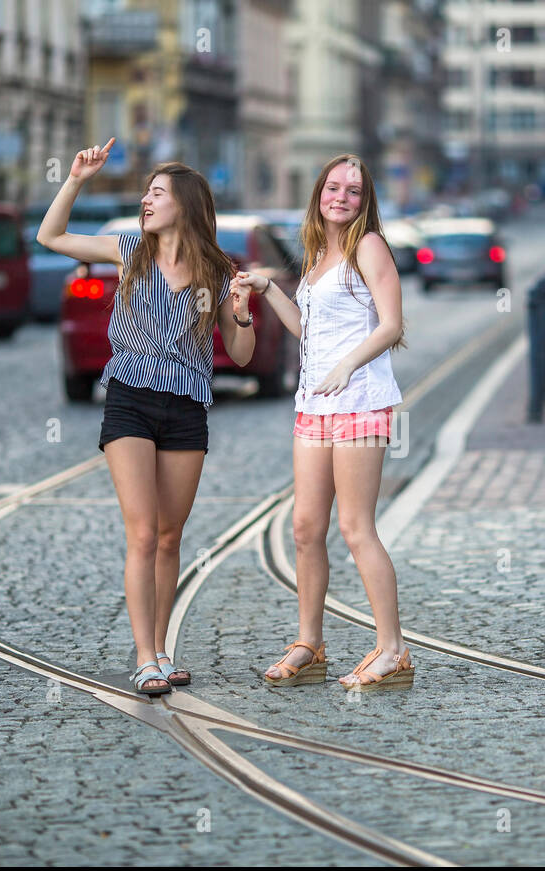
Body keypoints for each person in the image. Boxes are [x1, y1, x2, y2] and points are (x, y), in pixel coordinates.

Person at [37, 139, 255, 696]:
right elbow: (51, 237)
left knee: (168, 535)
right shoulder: (130, 248)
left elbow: (242, 353)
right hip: (129, 398)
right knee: (140, 532)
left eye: (157, 193)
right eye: (146, 193)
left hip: (185, 407)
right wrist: (77, 177)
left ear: (185, 202)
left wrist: (241, 313)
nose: (146, 201)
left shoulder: (217, 269)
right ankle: (143, 658)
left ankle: (162, 648)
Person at [233, 154, 412, 690]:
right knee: (305, 528)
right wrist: (270, 293)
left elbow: (392, 325)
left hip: (360, 401)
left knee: (356, 529)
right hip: (314, 405)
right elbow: (307, 331)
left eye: (353, 191)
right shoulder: (317, 254)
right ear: (319, 194)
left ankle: (393, 649)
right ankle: (309, 644)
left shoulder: (369, 246)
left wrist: (349, 363)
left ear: (365, 201)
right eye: (333, 187)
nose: (342, 197)